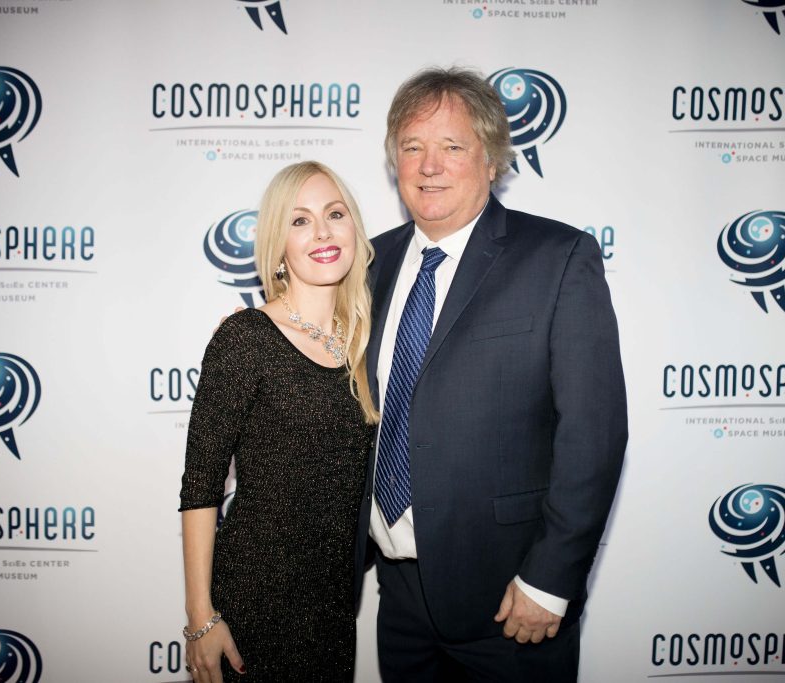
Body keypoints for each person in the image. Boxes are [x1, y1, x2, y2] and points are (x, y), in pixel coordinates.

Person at [356, 67, 628, 681]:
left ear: (491, 159)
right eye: (412, 147)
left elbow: (594, 432)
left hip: (512, 602)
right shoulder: (369, 264)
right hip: (399, 601)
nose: (429, 166)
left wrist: (550, 579)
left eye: (452, 146)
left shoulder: (558, 259)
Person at [179, 161, 378, 682]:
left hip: (332, 610)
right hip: (253, 603)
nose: (322, 232)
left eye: (335, 214)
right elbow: (200, 485)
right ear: (278, 245)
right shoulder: (246, 338)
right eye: (300, 220)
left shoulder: (365, 345)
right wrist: (201, 617)